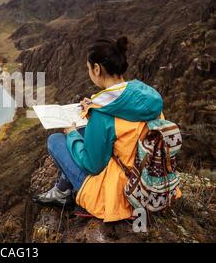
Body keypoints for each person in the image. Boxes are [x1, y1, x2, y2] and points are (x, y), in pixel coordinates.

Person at [33, 37, 164, 222]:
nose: (89, 73)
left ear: (97, 69)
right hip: (146, 174)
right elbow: (122, 128)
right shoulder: (144, 97)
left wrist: (71, 134)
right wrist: (91, 111)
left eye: (88, 68)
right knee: (84, 131)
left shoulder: (102, 113)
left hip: (121, 192)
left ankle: (65, 193)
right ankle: (62, 189)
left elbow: (92, 166)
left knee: (56, 141)